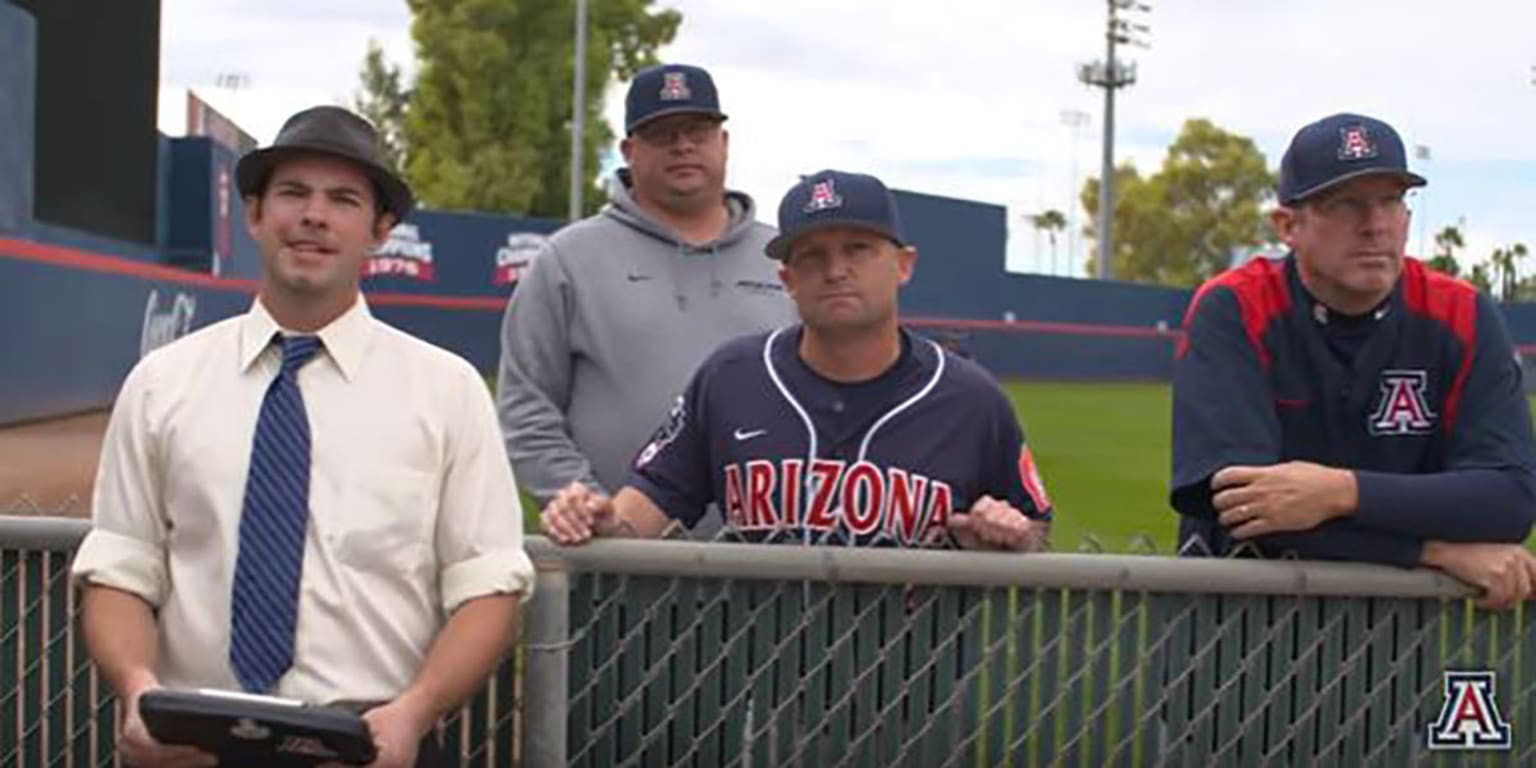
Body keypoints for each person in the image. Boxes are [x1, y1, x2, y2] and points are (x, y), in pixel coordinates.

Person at [70, 106, 535, 768]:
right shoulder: (160, 385)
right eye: (293, 193)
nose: (314, 215)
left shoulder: (446, 391)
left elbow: (488, 586)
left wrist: (415, 711)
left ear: (380, 230)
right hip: (191, 747)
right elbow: (121, 567)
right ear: (256, 215)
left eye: (343, 199)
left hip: (372, 746)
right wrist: (138, 692)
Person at [541, 170, 1052, 550]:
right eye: (811, 255)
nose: (835, 270)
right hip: (753, 680)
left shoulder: (969, 399)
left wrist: (1010, 535)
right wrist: (603, 521)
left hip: (911, 685)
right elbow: (649, 502)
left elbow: (1035, 528)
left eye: (858, 249)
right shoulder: (731, 378)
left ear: (903, 265)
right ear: (786, 280)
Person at [1171, 112, 1536, 609]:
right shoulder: (1235, 306)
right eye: (1345, 204)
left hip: (1396, 637)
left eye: (1391, 200)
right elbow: (1241, 510)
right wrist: (1430, 550)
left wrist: (1341, 492)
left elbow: (1508, 502)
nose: (1375, 225)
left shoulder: (1462, 313)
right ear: (1288, 225)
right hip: (1239, 627)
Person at [496, 63, 795, 509]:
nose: (683, 146)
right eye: (663, 133)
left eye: (697, 130)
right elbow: (526, 407)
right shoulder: (570, 259)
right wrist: (592, 509)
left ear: (724, 143)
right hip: (620, 558)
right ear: (628, 151)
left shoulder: (786, 256)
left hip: (774, 559)